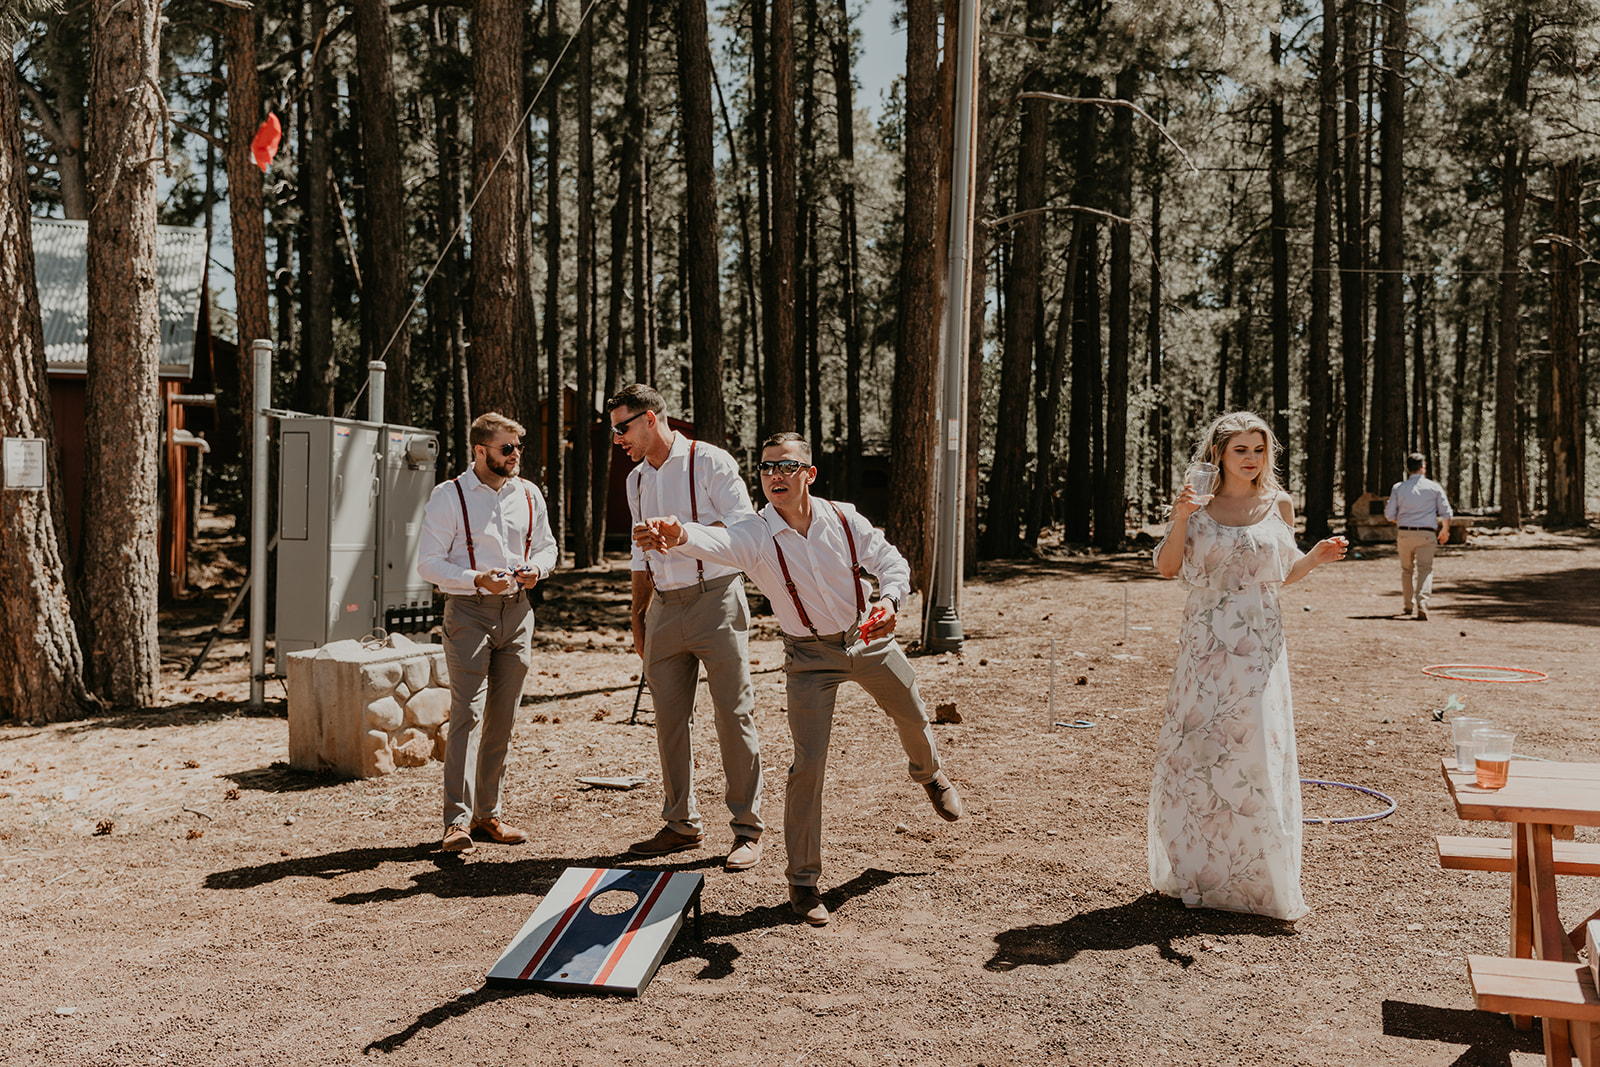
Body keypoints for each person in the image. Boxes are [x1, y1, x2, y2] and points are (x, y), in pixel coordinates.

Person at [634, 432, 962, 927]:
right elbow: (720, 540)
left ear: (809, 474)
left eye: (785, 468)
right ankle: (803, 885)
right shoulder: (757, 532)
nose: (773, 477)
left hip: (868, 639)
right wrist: (679, 533)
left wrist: (890, 601)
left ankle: (929, 775)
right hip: (809, 658)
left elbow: (892, 563)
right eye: (765, 469)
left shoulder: (844, 518)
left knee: (913, 715)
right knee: (806, 767)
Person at [1150, 411, 1347, 921]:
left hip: (1259, 643)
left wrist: (1317, 558)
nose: (1252, 459)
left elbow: (1283, 573)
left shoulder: (1278, 503)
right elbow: (1168, 568)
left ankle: (1256, 879)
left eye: (1259, 450)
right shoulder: (1196, 503)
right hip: (1205, 642)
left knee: (1256, 751)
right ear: (1218, 454)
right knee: (1198, 750)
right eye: (1241, 450)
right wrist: (1178, 519)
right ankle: (1198, 870)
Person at [606, 384, 766, 871]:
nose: (617, 438)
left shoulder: (710, 462)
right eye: (613, 429)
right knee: (670, 721)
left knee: (732, 716)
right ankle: (681, 824)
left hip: (716, 599)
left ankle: (747, 829)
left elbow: (747, 532)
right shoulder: (636, 480)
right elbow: (639, 552)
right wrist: (638, 615)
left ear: (651, 419)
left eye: (622, 427)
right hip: (664, 608)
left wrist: (683, 536)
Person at [417, 412, 558, 854]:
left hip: (517, 612)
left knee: (503, 718)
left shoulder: (529, 493)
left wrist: (539, 568)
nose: (516, 456)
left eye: (518, 448)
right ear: (480, 451)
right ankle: (454, 823)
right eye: (506, 448)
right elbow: (428, 563)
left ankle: (487, 815)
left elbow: (548, 546)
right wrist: (477, 579)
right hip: (468, 613)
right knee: (468, 715)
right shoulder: (448, 496)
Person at [1384, 452, 1452, 620]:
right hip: (1427, 534)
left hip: (1404, 533)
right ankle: (1422, 602)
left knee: (1406, 570)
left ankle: (1408, 605)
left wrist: (1401, 521)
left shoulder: (1398, 488)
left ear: (1408, 469)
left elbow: (1389, 514)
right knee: (1425, 569)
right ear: (1424, 467)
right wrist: (1445, 530)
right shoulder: (1434, 487)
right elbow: (1446, 512)